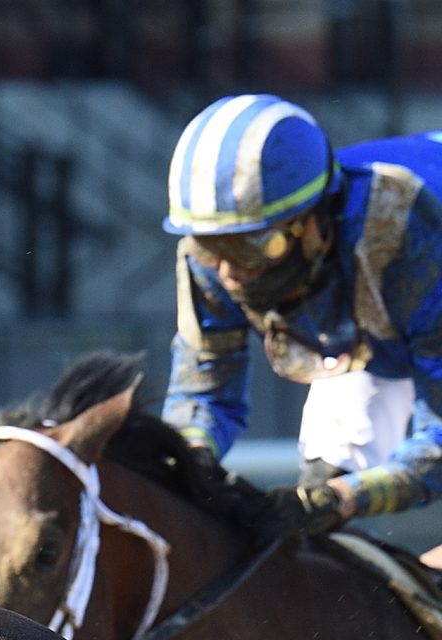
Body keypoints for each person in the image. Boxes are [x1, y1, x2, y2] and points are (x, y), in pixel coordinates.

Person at [161, 95, 442, 545]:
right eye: (212, 247)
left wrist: (344, 499)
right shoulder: (215, 252)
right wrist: (188, 461)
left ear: (314, 222)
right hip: (378, 328)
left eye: (253, 247)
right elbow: (202, 391)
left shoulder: (408, 236)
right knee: (322, 512)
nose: (229, 274)